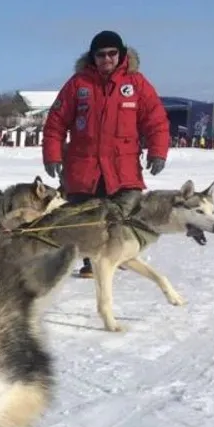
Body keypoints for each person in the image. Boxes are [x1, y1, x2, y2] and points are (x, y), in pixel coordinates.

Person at [42, 30, 170, 278]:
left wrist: (158, 151)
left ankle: (118, 254)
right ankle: (90, 260)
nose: (107, 59)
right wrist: (52, 155)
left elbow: (156, 121)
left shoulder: (136, 84)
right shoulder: (78, 85)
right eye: (100, 55)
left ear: (121, 54)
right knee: (86, 217)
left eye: (112, 53)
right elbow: (55, 123)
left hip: (123, 168)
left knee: (122, 215)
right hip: (84, 167)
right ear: (93, 57)